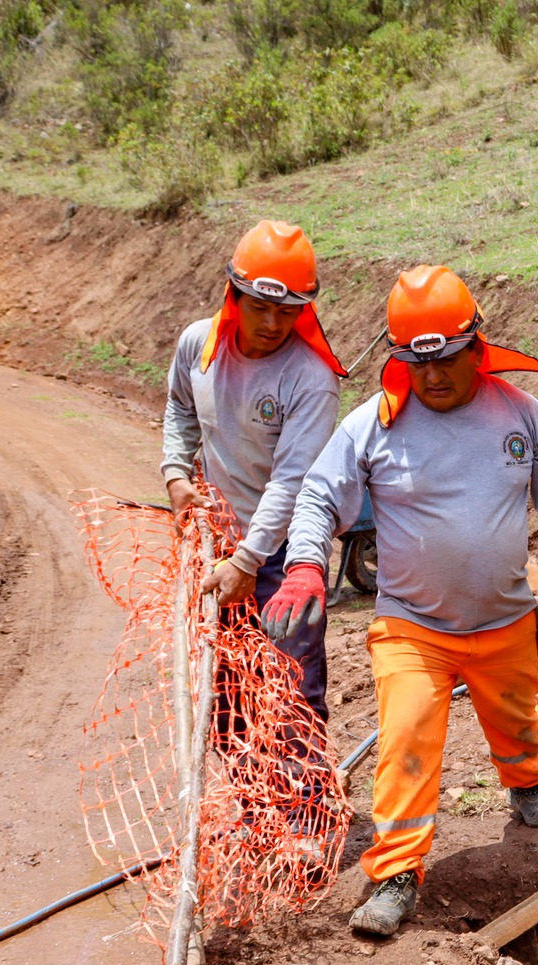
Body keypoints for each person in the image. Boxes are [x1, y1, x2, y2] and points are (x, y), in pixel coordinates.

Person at [266, 265, 538, 938]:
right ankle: (396, 877)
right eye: (418, 366)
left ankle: (527, 786)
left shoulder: (520, 415)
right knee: (407, 740)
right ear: (399, 359)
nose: (435, 377)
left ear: (476, 346)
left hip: (504, 617)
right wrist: (304, 563)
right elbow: (319, 495)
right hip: (412, 626)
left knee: (515, 714)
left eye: (447, 360)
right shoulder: (374, 425)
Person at [162, 219, 347, 720]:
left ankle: (306, 798)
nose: (272, 323)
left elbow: (292, 481)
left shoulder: (310, 379)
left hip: (284, 557)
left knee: (292, 693)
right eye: (260, 307)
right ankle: (251, 802)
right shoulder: (198, 347)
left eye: (287, 311)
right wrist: (176, 473)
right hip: (215, 548)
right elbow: (181, 407)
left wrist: (248, 561)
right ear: (233, 295)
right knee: (224, 699)